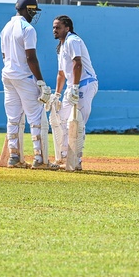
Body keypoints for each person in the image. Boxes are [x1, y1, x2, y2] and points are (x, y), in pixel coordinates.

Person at [0, 0, 51, 169]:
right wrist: (41, 81)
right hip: (24, 77)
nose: (34, 14)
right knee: (36, 118)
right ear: (27, 9)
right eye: (33, 11)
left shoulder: (5, 28)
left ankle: (14, 157)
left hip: (8, 76)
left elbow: (4, 56)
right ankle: (40, 159)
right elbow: (31, 58)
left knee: (13, 118)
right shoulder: (28, 29)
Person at [50, 15, 98, 171]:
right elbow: (61, 73)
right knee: (62, 119)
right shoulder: (61, 46)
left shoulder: (73, 41)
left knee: (77, 122)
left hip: (85, 84)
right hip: (72, 86)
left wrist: (76, 87)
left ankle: (76, 160)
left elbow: (78, 63)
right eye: (53, 27)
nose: (54, 30)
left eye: (58, 27)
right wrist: (57, 94)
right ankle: (65, 157)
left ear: (67, 28)